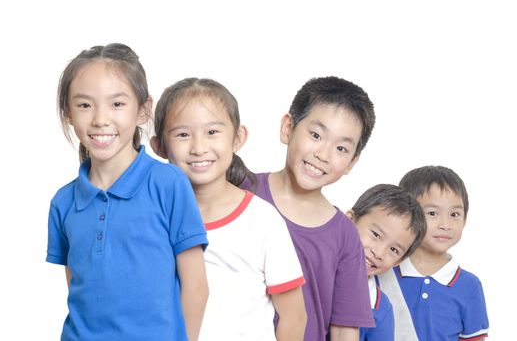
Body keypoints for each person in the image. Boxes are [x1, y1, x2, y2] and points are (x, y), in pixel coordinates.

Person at [46, 43, 209, 341]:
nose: (100, 119)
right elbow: (78, 286)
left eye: (117, 104)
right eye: (84, 105)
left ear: (143, 110)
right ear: (68, 112)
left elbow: (196, 285)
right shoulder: (63, 202)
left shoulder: (168, 184)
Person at [151, 77, 307, 340]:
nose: (199, 148)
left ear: (238, 138)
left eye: (212, 132)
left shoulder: (261, 220)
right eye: (183, 134)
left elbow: (294, 316)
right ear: (160, 146)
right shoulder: (151, 217)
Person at [241, 76, 376, 340]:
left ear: (352, 162)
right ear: (288, 128)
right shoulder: (239, 190)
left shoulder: (345, 236)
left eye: (341, 148)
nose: (323, 155)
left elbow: (344, 329)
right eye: (315, 135)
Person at [380, 166, 489, 341]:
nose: (445, 224)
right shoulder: (383, 272)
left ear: (465, 220)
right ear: (408, 215)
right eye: (432, 213)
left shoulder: (469, 286)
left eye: (454, 214)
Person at [345, 184, 427, 341]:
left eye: (394, 250)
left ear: (399, 261)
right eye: (376, 234)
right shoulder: (308, 267)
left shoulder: (380, 310)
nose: (379, 253)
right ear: (349, 220)